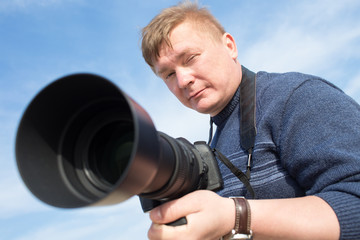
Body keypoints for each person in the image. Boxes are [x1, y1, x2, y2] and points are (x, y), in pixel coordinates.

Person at [140, 1, 360, 240]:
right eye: (169, 74)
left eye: (190, 58)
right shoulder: (212, 147)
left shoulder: (294, 97)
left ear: (229, 46)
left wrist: (236, 216)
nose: (182, 80)